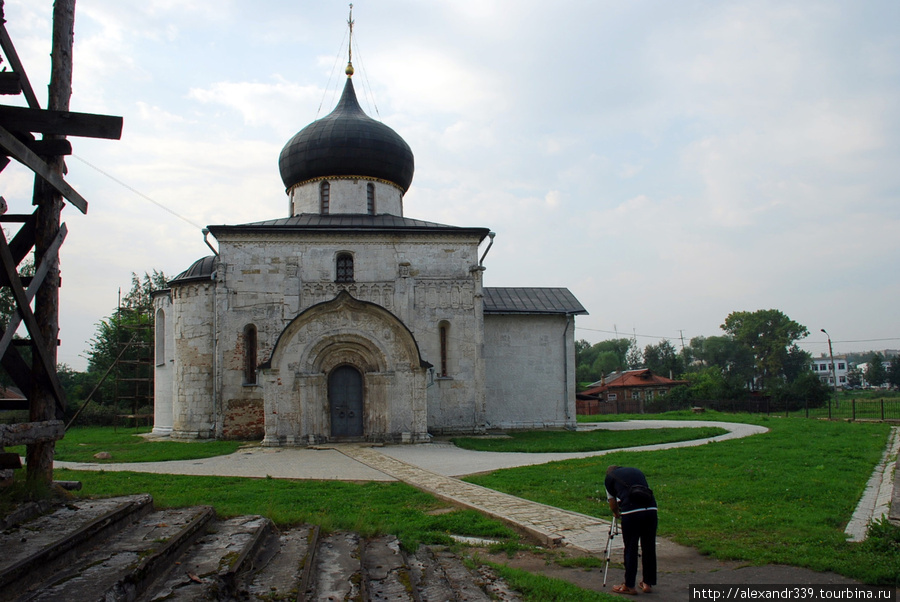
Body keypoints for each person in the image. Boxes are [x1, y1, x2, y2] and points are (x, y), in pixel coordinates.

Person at [605, 465, 657, 594]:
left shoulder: (609, 478)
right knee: (649, 547)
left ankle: (629, 585)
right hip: (651, 510)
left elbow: (613, 503)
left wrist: (616, 513)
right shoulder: (637, 471)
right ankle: (647, 583)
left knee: (631, 548)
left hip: (631, 512)